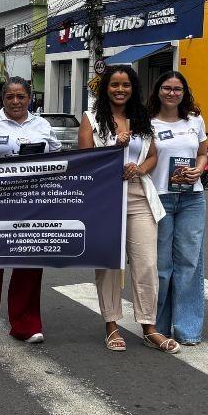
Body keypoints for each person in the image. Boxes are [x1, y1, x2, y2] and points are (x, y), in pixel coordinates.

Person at [79, 67, 177, 354]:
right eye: (114, 85)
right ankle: (111, 325)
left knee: (147, 263)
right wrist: (114, 147)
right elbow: (85, 160)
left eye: (125, 85)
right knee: (110, 263)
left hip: (139, 194)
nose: (120, 90)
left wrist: (139, 168)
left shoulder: (142, 119)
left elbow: (153, 156)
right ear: (105, 88)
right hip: (105, 198)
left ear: (133, 88)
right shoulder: (92, 119)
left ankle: (149, 327)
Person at [0, 76, 59, 344]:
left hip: (32, 203)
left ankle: (26, 325)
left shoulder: (42, 125)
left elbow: (58, 160)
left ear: (30, 99)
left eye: (21, 97)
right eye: (10, 97)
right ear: (2, 99)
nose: (15, 101)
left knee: (28, 263)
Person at [148, 71, 208, 346]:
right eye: (167, 88)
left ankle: (187, 328)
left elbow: (203, 152)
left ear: (184, 93)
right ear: (158, 91)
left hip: (192, 198)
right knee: (161, 265)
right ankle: (157, 327)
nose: (172, 93)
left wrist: (199, 169)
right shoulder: (146, 122)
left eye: (178, 89)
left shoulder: (195, 120)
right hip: (159, 197)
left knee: (189, 263)